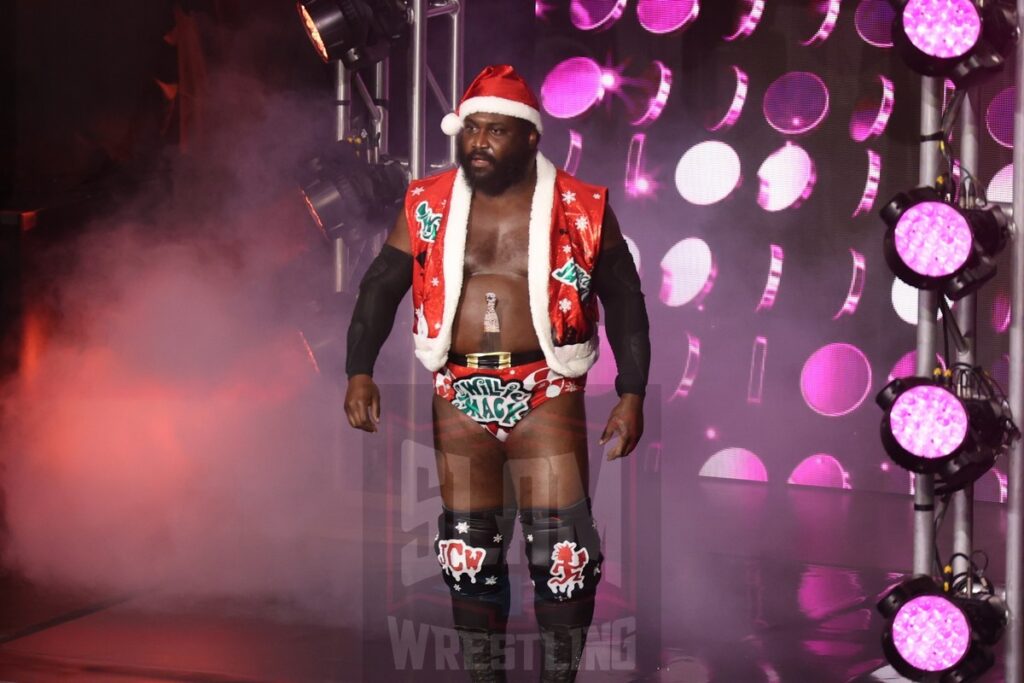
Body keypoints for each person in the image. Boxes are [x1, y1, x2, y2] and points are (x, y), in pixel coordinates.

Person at [344, 64, 650, 682]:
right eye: (471, 129)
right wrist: (359, 370)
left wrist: (632, 392)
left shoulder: (581, 206)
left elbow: (626, 300)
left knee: (563, 551)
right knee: (466, 551)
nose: (478, 142)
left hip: (545, 387)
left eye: (495, 131)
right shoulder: (427, 201)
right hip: (458, 391)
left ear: (532, 137)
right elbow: (381, 285)